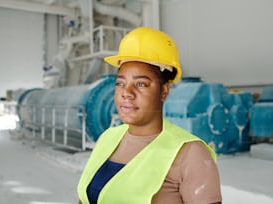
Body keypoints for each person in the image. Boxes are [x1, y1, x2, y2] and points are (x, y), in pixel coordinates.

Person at [77, 27, 222, 204]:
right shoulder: (107, 138)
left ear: (164, 90)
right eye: (120, 83)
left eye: (141, 84)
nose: (126, 93)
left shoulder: (191, 154)